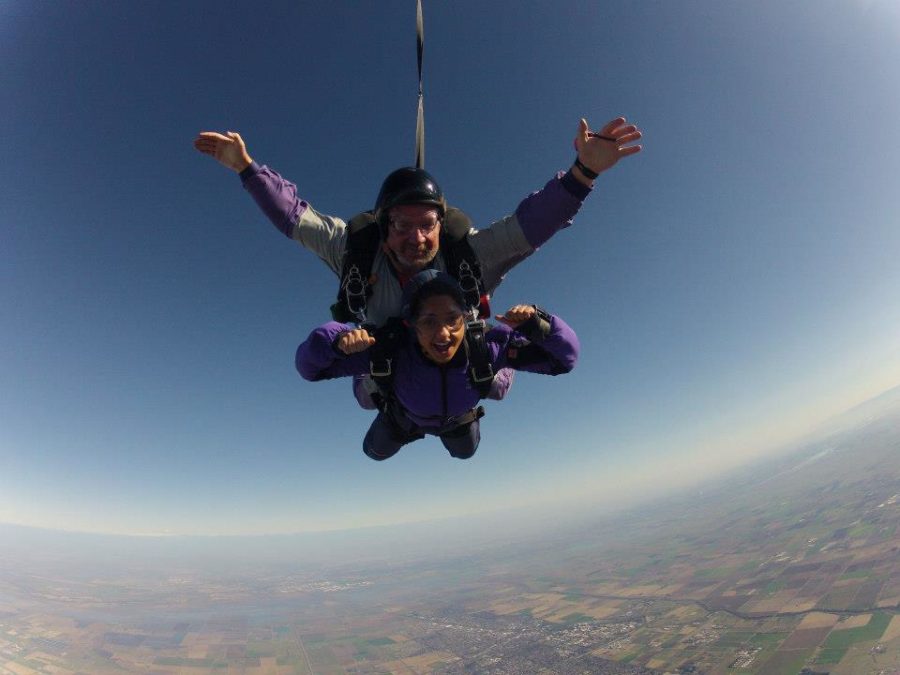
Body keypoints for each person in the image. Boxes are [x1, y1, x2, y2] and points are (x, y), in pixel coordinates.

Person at [193, 117, 639, 403]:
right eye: (401, 226)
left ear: (442, 225)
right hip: (392, 363)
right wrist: (248, 169)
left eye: (427, 224)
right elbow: (296, 219)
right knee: (372, 397)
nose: (416, 237)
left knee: (491, 384)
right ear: (383, 227)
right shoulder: (357, 252)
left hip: (462, 357)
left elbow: (533, 223)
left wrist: (585, 173)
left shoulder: (470, 256)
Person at [296, 270, 579, 460]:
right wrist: (336, 339)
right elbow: (309, 369)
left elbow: (563, 360)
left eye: (452, 319)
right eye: (429, 321)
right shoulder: (388, 350)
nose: (443, 334)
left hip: (456, 418)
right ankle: (366, 380)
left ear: (465, 320)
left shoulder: (488, 346)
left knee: (465, 452)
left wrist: (539, 324)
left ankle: (500, 375)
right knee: (374, 451)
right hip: (402, 415)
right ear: (411, 325)